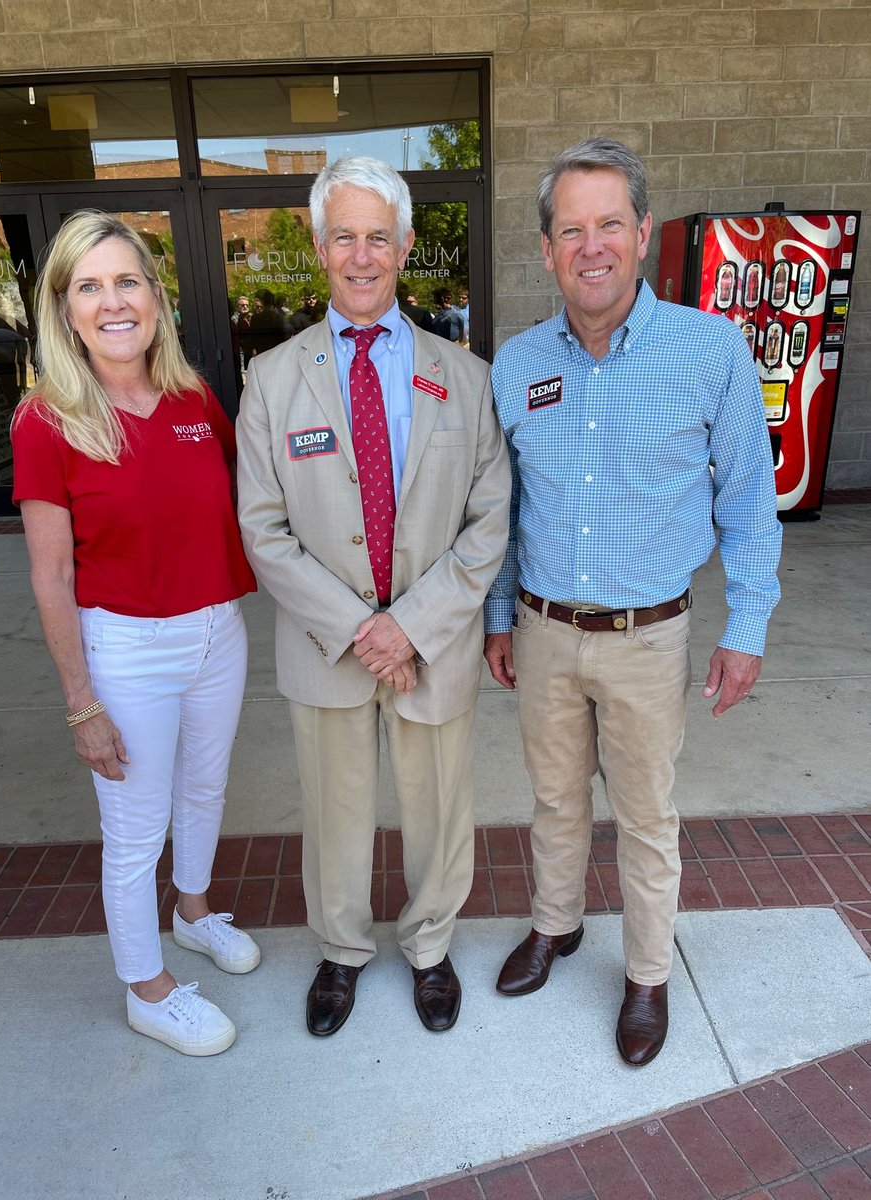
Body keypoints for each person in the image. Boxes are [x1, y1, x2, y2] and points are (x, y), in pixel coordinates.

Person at [483, 138, 781, 1066]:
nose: (592, 245)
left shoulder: (709, 351)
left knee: (647, 816)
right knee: (554, 801)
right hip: (542, 631)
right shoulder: (517, 362)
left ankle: (647, 975)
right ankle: (557, 927)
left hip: (650, 638)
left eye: (609, 223)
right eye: (571, 229)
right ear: (546, 249)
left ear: (643, 233)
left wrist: (748, 625)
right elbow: (502, 504)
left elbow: (747, 497)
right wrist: (499, 616)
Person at [237, 156, 510, 1037]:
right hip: (329, 648)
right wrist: (362, 627)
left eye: (379, 237)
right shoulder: (271, 381)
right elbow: (263, 531)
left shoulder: (464, 376)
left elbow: (488, 521)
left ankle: (430, 948)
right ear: (319, 248)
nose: (362, 255)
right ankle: (341, 950)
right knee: (336, 810)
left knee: (440, 807)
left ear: (404, 249)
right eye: (345, 236)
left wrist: (412, 628)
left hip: (434, 646)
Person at [11, 211, 260, 1057]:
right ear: (64, 308)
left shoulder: (194, 400)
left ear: (155, 296)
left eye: (128, 282)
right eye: (90, 286)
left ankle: (193, 915)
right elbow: (50, 575)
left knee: (204, 790)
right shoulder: (46, 421)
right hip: (125, 649)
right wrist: (82, 703)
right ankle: (147, 990)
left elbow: (247, 505)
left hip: (216, 633)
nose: (113, 302)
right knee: (134, 826)